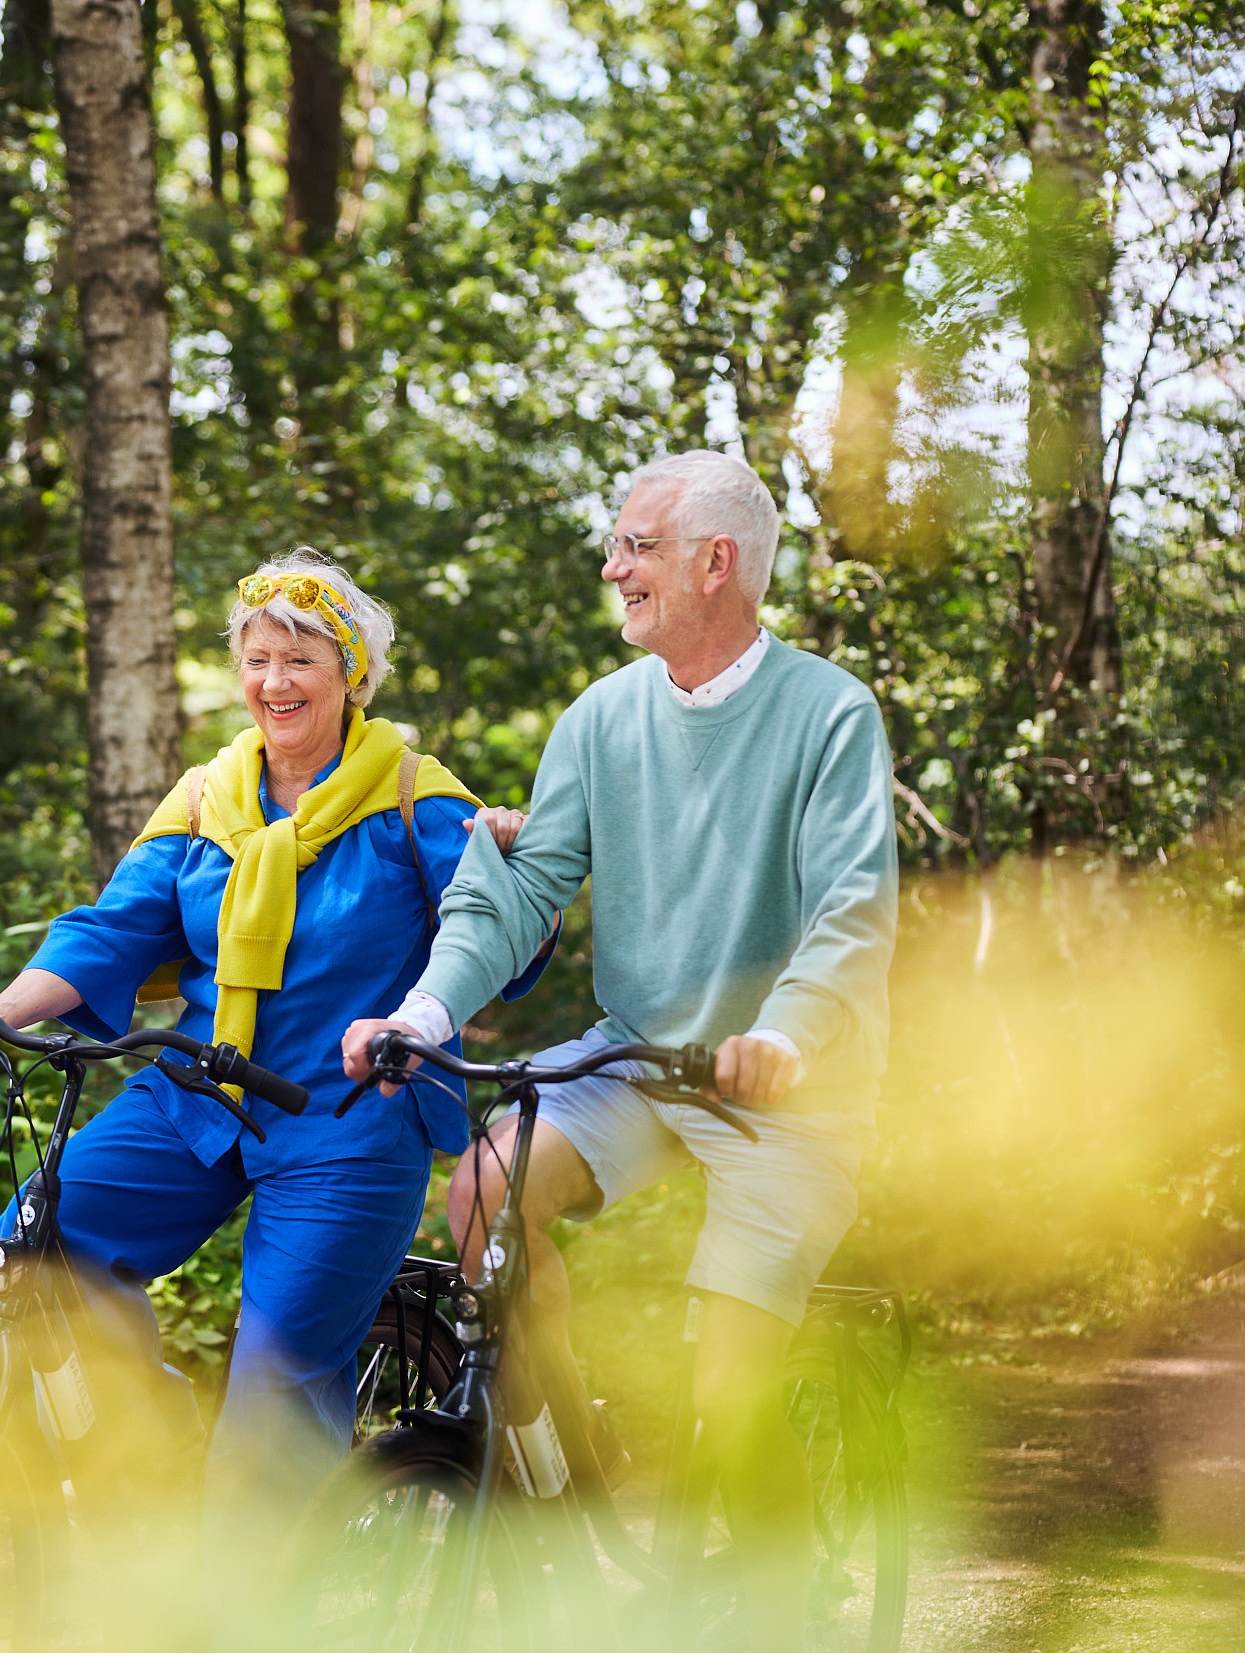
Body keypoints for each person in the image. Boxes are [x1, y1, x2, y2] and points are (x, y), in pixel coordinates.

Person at [340, 450, 898, 1650]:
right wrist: (421, 1015)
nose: (611, 567)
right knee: (483, 1191)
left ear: (715, 562)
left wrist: (782, 1036)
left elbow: (851, 912)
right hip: (637, 1056)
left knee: (728, 1399)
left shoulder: (827, 713)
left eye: (634, 546)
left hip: (786, 1090)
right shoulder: (602, 717)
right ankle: (567, 1475)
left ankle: (785, 1597)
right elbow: (521, 890)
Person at [0, 547, 550, 1514]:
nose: (275, 681)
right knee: (39, 1243)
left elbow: (499, 925)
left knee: (276, 1385)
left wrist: (509, 853)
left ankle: (255, 1576)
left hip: (350, 1119)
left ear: (351, 675)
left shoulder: (412, 796)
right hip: (200, 1093)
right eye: (258, 659)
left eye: (301, 660)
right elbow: (111, 930)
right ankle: (146, 1459)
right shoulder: (205, 798)